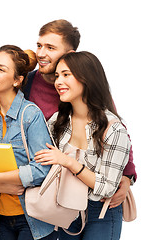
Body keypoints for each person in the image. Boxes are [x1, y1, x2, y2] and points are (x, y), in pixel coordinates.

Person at [22, 19, 136, 209]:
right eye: (39, 46)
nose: (41, 54)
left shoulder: (89, 89)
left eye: (50, 47)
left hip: (94, 191)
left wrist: (126, 175)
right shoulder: (29, 82)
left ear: (70, 55)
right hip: (53, 192)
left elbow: (116, 132)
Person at [35, 51, 131, 239]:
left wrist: (68, 162)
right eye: (57, 76)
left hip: (102, 211)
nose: (58, 82)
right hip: (65, 207)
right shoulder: (57, 121)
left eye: (66, 75)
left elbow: (108, 188)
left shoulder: (114, 129)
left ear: (87, 78)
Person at [0, 45, 57, 240]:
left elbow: (43, 170)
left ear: (17, 80)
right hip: (0, 219)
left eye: (1, 69)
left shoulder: (30, 114)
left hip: (32, 220)